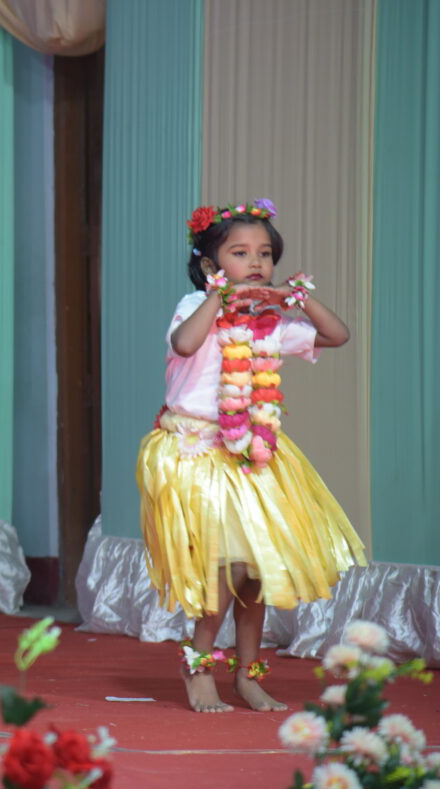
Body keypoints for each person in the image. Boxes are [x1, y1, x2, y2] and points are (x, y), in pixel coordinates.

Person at [137, 199, 366, 713]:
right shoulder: (192, 307)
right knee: (227, 569)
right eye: (240, 253)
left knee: (258, 570)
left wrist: (296, 298)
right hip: (195, 453)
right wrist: (218, 297)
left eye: (265, 253)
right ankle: (198, 667)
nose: (256, 262)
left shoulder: (270, 324)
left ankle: (248, 674)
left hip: (251, 454)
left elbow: (337, 335)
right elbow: (186, 343)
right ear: (210, 266)